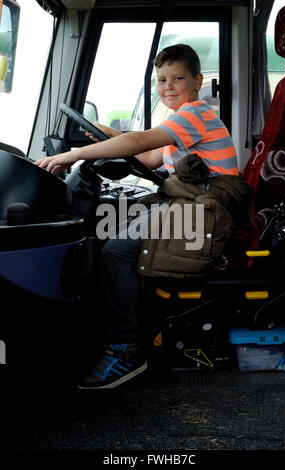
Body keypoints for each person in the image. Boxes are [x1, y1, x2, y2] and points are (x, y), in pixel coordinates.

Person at [35, 44, 239, 389]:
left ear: (198, 81)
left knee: (116, 250)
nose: (168, 87)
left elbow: (139, 143)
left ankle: (124, 349)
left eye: (177, 78)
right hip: (193, 205)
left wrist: (76, 154)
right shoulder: (181, 124)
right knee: (111, 225)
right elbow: (147, 157)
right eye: (161, 80)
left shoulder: (194, 114)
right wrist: (107, 136)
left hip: (207, 212)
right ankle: (110, 329)